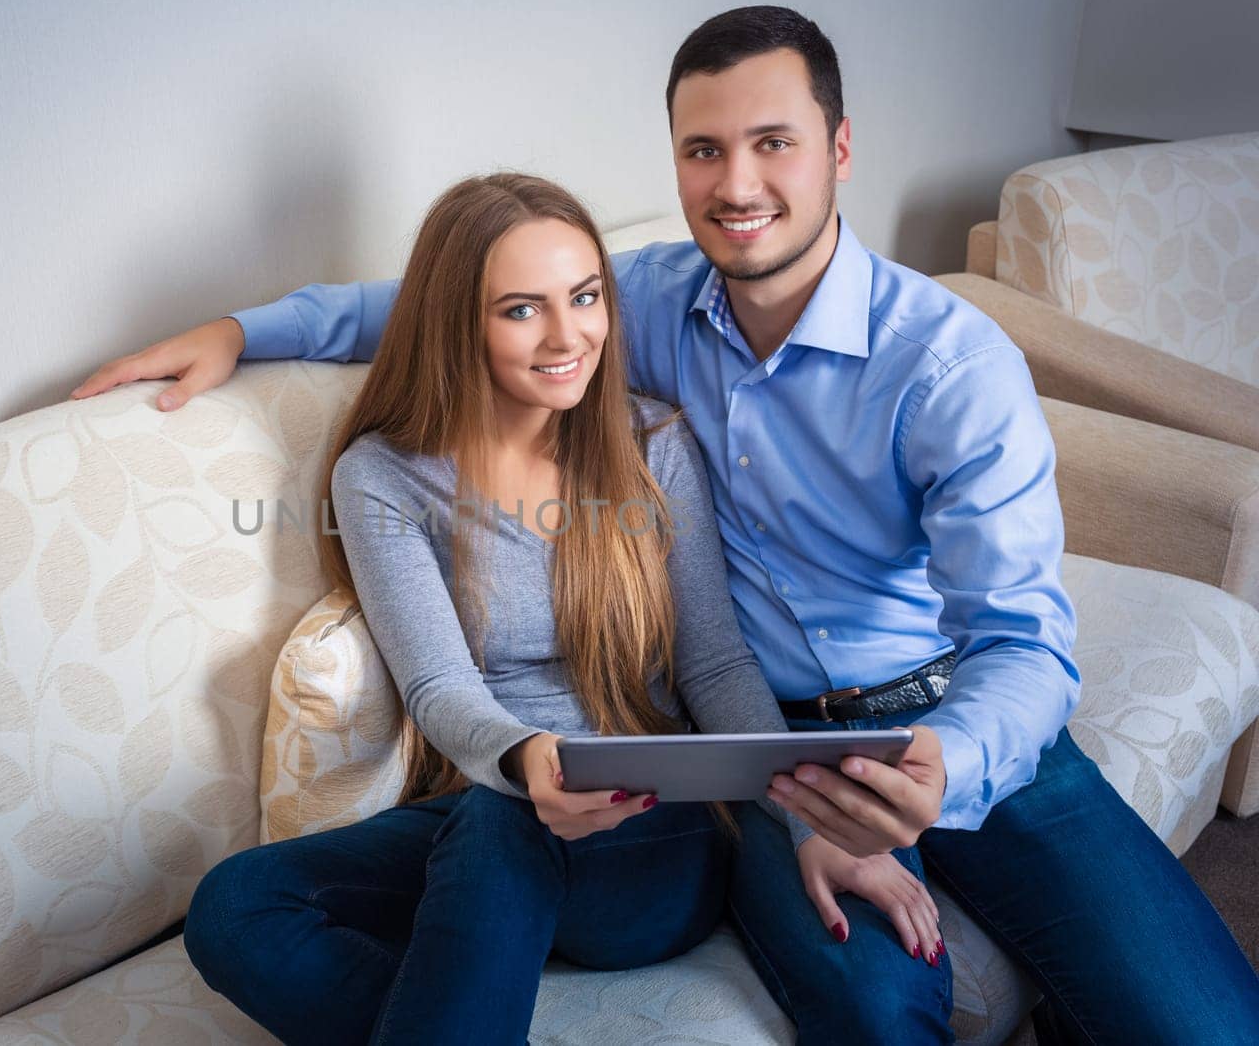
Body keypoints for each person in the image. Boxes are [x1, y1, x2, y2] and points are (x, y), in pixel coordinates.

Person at [79, 6, 1259, 1045]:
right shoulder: (642, 300)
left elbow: (1024, 639)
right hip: (759, 743)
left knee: (1199, 1022)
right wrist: (247, 328)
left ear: (839, 150)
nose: (736, 184)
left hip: (944, 706)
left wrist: (943, 765)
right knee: (871, 1002)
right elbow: (440, 299)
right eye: (704, 149)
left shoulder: (945, 366)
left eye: (772, 142)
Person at [179, 173, 940, 1045]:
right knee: (237, 905)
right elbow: (436, 684)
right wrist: (526, 757)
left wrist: (802, 815)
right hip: (499, 810)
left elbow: (715, 664)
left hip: (659, 836)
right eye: (521, 310)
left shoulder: (654, 441)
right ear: (456, 322)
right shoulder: (382, 476)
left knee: (500, 822)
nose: (567, 335)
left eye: (584, 297)